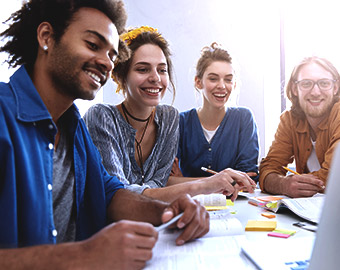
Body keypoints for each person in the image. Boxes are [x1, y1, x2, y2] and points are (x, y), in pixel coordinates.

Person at [0, 1, 208, 269]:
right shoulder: (4, 115)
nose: (105, 63)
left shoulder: (72, 125)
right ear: (46, 37)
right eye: (92, 45)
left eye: (111, 54)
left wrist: (168, 211)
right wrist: (83, 255)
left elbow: (110, 194)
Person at [84, 29, 255, 202]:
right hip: (110, 225)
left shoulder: (168, 118)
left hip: (157, 217)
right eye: (143, 69)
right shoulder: (101, 116)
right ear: (121, 76)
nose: (155, 78)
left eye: (162, 70)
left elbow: (160, 183)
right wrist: (205, 184)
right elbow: (118, 195)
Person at [259, 56, 340, 198]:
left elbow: (334, 177)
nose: (315, 92)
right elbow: (268, 168)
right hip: (308, 211)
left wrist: (286, 183)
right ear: (295, 88)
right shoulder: (289, 119)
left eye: (324, 83)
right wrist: (283, 184)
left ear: (335, 88)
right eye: (306, 84)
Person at [177, 42, 260, 184]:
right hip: (191, 204)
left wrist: (186, 181)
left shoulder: (244, 119)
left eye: (228, 79)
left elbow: (248, 178)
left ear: (234, 84)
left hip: (236, 204)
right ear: (198, 82)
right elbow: (168, 180)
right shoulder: (181, 122)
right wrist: (221, 181)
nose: (222, 86)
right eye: (213, 78)